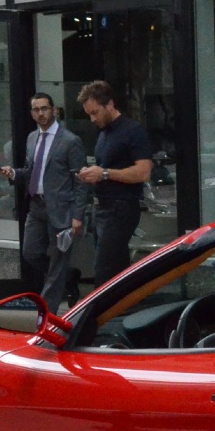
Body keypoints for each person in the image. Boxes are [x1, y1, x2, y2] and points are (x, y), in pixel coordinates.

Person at [1, 92, 88, 310]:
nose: (41, 113)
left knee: (58, 261)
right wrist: (14, 174)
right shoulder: (32, 138)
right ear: (32, 113)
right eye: (36, 110)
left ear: (54, 110)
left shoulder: (70, 141)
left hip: (62, 209)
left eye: (45, 108)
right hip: (36, 206)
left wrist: (78, 215)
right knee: (30, 253)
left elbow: (81, 181)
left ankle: (46, 312)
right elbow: (32, 172)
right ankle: (68, 277)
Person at [75, 80, 154, 286]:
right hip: (103, 207)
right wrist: (92, 174)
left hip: (120, 207)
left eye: (95, 112)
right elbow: (105, 168)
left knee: (105, 270)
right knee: (114, 269)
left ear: (109, 104)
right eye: (89, 114)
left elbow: (144, 172)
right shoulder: (104, 133)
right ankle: (120, 312)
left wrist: (105, 174)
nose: (93, 119)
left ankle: (103, 315)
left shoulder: (132, 131)